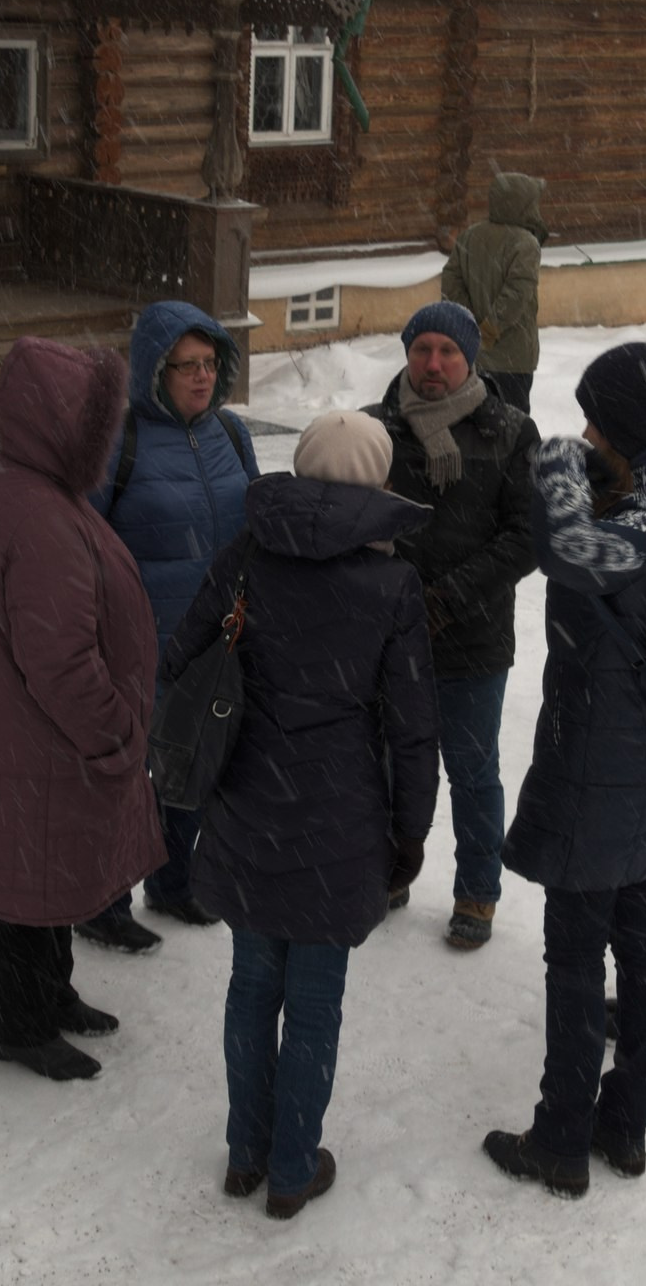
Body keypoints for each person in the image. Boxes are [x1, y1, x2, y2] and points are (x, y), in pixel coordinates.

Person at [483, 342, 646, 1197]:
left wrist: (557, 465)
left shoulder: (633, 534)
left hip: (598, 764)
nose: (587, 433)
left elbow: (569, 553)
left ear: (630, 430)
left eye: (598, 422)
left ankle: (560, 1139)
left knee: (572, 960)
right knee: (641, 945)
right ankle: (625, 1126)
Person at [168, 410, 440, 1220]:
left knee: (252, 983)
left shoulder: (248, 555)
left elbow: (183, 654)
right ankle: (292, 1167)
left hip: (248, 803)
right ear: (378, 481)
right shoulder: (392, 584)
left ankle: (244, 1153)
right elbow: (413, 726)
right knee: (315, 998)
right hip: (341, 822)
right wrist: (411, 831)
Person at [0, 337, 166, 1082]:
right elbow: (60, 663)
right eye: (96, 421)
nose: (107, 436)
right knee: (21, 893)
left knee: (36, 883)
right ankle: (19, 1026)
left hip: (11, 740)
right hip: (36, 746)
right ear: (61, 424)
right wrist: (114, 732)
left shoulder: (10, 483)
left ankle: (49, 996)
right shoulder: (37, 517)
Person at [78, 299, 259, 955]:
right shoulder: (117, 443)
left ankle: (176, 881)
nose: (202, 377)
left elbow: (256, 526)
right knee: (127, 776)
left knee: (195, 760)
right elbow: (82, 541)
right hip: (139, 641)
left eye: (210, 363)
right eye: (187, 366)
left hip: (215, 639)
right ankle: (104, 901)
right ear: (156, 371)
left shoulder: (231, 434)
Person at [363, 300, 540, 950]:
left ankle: (477, 892)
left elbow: (528, 535)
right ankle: (389, 873)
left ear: (470, 359)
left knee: (472, 772)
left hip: (474, 640)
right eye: (422, 349)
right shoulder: (374, 427)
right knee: (385, 765)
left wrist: (448, 597)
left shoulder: (510, 431)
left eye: (447, 352)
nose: (433, 364)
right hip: (388, 638)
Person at [441, 171, 548, 412]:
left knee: (476, 419)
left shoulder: (470, 236)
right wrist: (489, 331)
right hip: (512, 359)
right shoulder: (525, 243)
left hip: (473, 356)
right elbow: (517, 294)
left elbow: (451, 283)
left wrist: (468, 326)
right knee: (513, 424)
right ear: (524, 204)